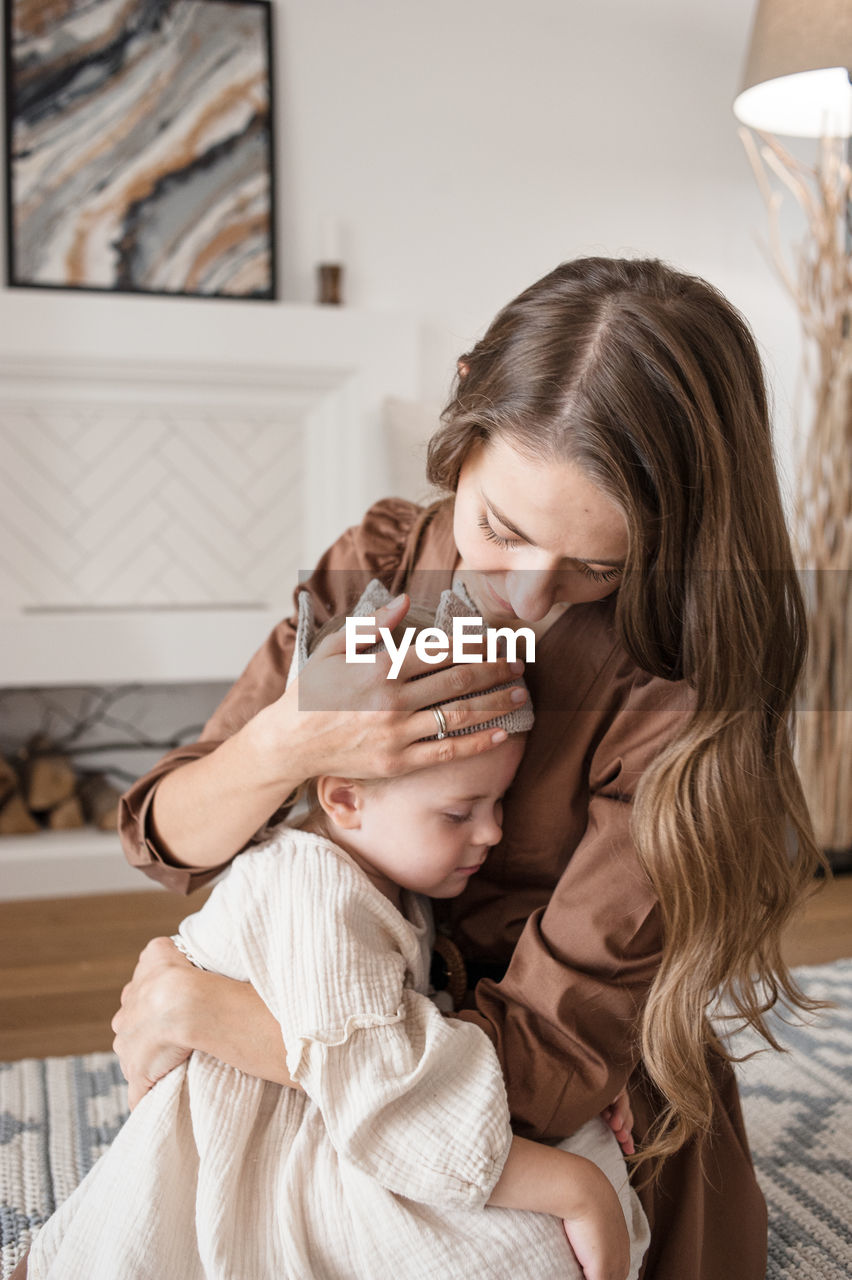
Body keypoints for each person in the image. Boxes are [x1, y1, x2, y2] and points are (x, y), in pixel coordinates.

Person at [111, 257, 822, 1280]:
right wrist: (294, 740)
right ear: (464, 411)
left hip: (528, 1113)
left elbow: (548, 1072)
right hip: (348, 1036)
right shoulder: (387, 566)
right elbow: (165, 837)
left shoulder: (677, 688)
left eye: (597, 567)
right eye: (500, 528)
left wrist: (224, 1020)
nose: (530, 599)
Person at [23, 592, 649, 1280]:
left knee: (577, 1143)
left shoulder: (389, 872)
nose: (493, 833)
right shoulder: (314, 885)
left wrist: (576, 1074)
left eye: (498, 803)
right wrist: (571, 1188)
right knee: (537, 1236)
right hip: (273, 1146)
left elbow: (393, 1037)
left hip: (340, 1101)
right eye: (459, 812)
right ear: (344, 799)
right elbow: (386, 1093)